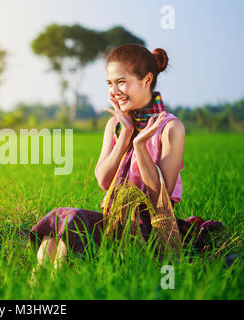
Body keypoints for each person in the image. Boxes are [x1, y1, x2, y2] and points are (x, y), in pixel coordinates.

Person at [29, 44, 222, 271]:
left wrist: (140, 147)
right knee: (59, 223)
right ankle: (39, 289)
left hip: (147, 228)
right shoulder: (116, 125)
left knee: (73, 220)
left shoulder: (170, 128)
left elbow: (160, 196)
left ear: (147, 80)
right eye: (110, 83)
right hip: (114, 220)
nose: (114, 91)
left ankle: (51, 289)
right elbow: (103, 180)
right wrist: (126, 135)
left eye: (121, 82)